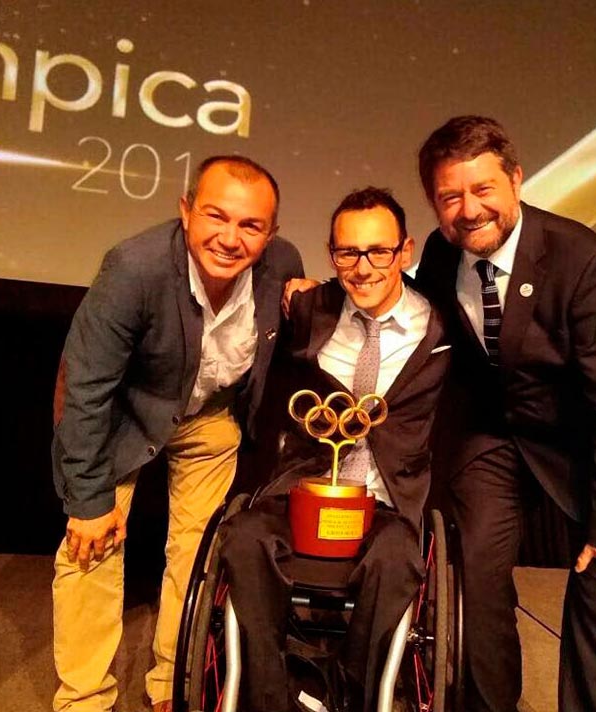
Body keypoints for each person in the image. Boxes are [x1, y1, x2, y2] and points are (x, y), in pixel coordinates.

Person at [413, 115, 596, 712]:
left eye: (483, 189)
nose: (469, 210)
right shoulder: (441, 253)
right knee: (473, 578)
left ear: (517, 180)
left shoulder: (582, 260)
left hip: (581, 441)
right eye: (450, 196)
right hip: (493, 436)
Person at [50, 155, 304, 712]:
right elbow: (85, 386)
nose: (231, 238)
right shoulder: (134, 268)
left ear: (271, 234)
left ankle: (174, 682)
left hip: (209, 413)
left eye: (251, 225)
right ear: (185, 211)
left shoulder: (282, 264)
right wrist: (87, 500)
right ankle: (84, 698)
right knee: (91, 545)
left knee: (199, 549)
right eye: (216, 216)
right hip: (124, 415)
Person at [219, 187, 451, 712]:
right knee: (244, 539)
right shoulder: (308, 308)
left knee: (397, 561)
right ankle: (272, 699)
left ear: (405, 251)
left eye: (379, 252)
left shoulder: (442, 328)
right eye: (348, 252)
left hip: (384, 501)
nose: (363, 268)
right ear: (331, 254)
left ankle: (347, 696)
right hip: (304, 488)